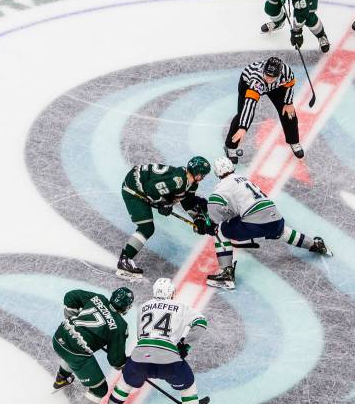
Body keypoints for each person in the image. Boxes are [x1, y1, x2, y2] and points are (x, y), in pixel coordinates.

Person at [96, 278, 215, 404]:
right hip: (169, 360)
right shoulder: (180, 306)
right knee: (188, 387)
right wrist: (185, 345)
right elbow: (201, 323)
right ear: (171, 293)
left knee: (124, 384)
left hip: (140, 358)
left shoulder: (144, 307)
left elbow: (141, 336)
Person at [204, 157, 331, 290]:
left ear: (217, 173)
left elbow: (214, 202)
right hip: (275, 218)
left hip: (255, 223)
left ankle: (226, 273)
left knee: (220, 230)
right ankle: (314, 244)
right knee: (282, 232)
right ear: (232, 167)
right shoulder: (243, 179)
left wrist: (210, 222)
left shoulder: (223, 185)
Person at [51, 286, 134, 404]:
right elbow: (115, 360)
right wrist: (125, 364)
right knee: (99, 389)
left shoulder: (98, 298)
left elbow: (70, 296)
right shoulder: (120, 325)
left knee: (72, 351)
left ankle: (62, 378)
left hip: (59, 336)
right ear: (126, 307)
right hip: (75, 352)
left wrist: (73, 323)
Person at [117, 156, 215, 281]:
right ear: (197, 173)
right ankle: (124, 261)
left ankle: (125, 260)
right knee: (146, 228)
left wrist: (197, 219)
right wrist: (162, 203)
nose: (203, 177)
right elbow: (151, 189)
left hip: (142, 184)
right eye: (203, 174)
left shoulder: (190, 184)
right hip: (133, 188)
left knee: (149, 225)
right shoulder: (178, 181)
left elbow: (188, 202)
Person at [224, 56, 303, 163]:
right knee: (242, 116)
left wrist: (288, 102)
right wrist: (243, 127)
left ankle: (294, 141)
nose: (269, 79)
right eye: (267, 75)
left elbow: (290, 84)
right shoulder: (256, 80)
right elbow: (250, 105)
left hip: (275, 87)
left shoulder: (286, 72)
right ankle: (230, 147)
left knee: (289, 113)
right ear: (264, 70)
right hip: (248, 85)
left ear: (279, 74)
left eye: (272, 77)